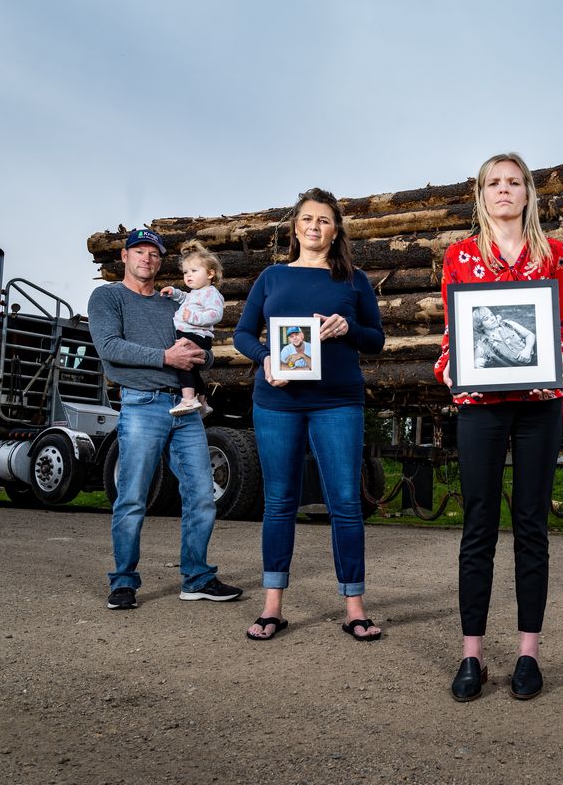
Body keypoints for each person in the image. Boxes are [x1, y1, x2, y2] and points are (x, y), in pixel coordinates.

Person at [434, 153, 563, 701]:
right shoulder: (461, 255)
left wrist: (562, 358)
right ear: (481, 193)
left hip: (541, 403)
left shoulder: (554, 254)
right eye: (494, 182)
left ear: (528, 194)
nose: (504, 190)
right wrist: (451, 364)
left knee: (531, 526)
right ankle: (471, 655)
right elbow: (454, 325)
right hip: (480, 404)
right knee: (477, 526)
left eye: (513, 182)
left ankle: (527, 653)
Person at [234, 188, 385, 642]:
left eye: (323, 220)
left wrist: (349, 327)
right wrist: (264, 358)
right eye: (307, 219)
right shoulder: (272, 277)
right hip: (277, 401)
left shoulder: (354, 280)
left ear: (335, 230)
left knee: (344, 502)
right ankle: (272, 606)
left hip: (338, 400)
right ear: (295, 227)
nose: (314, 226)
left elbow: (375, 339)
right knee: (279, 501)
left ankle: (354, 607)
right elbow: (243, 333)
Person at [88, 228, 243, 610]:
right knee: (133, 497)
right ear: (124, 257)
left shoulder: (171, 302)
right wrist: (166, 358)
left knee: (202, 496)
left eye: (154, 254)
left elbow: (202, 348)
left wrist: (200, 358)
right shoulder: (107, 297)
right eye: (139, 252)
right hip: (141, 406)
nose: (147, 259)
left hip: (185, 408)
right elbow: (109, 347)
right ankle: (123, 582)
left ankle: (197, 578)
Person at [159, 240, 225, 417]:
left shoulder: (212, 293)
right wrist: (175, 293)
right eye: (186, 272)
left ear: (210, 273)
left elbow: (215, 314)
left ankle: (188, 399)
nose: (189, 275)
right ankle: (203, 403)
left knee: (183, 366)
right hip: (191, 334)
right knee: (194, 371)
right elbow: (185, 299)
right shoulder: (196, 293)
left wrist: (194, 318)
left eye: (194, 271)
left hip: (196, 335)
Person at [472, 306, 536, 367]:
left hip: (536, 358)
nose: (492, 318)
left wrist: (527, 350)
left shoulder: (508, 324)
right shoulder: (482, 344)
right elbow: (475, 361)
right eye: (486, 318)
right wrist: (476, 363)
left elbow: (530, 335)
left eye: (491, 315)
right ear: (480, 325)